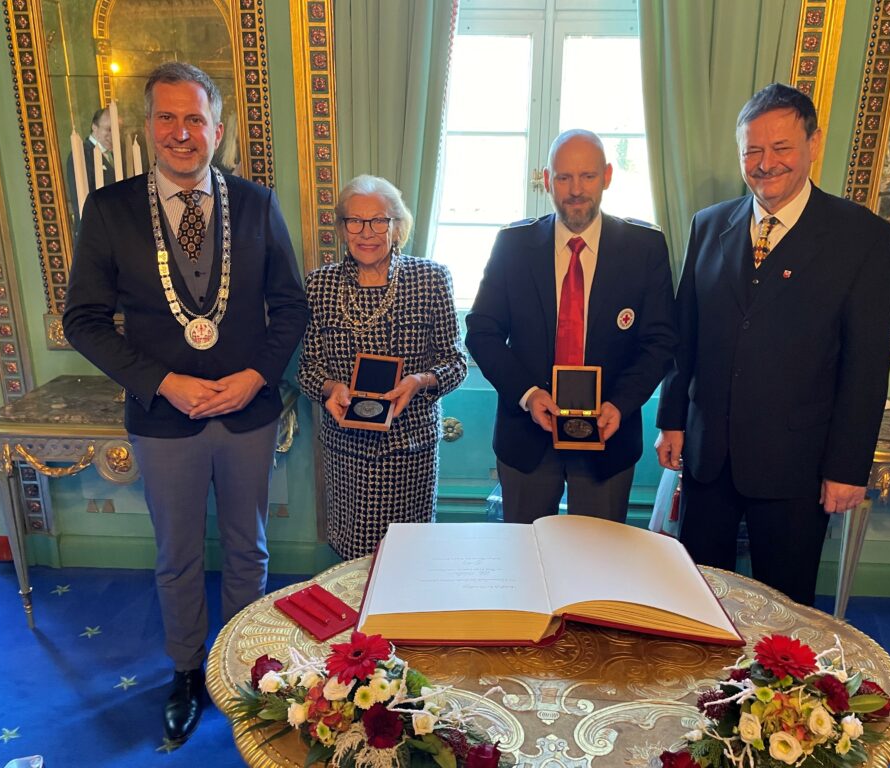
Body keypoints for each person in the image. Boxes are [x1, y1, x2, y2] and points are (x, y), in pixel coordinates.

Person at [62, 62, 308, 744]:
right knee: (175, 554)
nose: (180, 132)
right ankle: (185, 672)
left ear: (217, 129)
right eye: (166, 118)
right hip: (163, 418)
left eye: (193, 118)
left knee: (247, 549)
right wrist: (163, 382)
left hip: (246, 413)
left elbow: (290, 307)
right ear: (148, 130)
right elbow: (82, 319)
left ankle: (246, 666)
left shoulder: (256, 204)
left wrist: (258, 376)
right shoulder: (110, 211)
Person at [655, 83, 890, 607]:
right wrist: (672, 421)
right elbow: (686, 335)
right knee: (700, 599)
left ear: (813, 143)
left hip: (797, 465)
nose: (765, 164)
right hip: (707, 456)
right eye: (752, 151)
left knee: (785, 609)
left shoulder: (863, 238)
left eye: (780, 148)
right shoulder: (709, 224)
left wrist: (847, 467)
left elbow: (867, 364)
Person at [466, 129, 678, 524]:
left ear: (608, 177)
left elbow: (660, 341)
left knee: (596, 567)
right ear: (547, 180)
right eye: (564, 177)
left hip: (607, 435)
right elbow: (482, 331)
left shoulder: (644, 248)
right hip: (527, 437)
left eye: (588, 177)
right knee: (525, 561)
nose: (575, 189)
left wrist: (620, 403)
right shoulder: (514, 244)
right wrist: (528, 394)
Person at [298, 175, 467, 559]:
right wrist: (330, 389)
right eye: (355, 221)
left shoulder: (430, 279)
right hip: (347, 453)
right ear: (342, 228)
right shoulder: (319, 286)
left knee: (409, 560)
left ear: (397, 226)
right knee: (353, 564)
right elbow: (308, 368)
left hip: (410, 451)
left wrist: (420, 381)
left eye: (379, 221)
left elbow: (457, 363)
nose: (367, 232)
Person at [65, 107, 117, 224]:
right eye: (108, 129)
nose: (113, 135)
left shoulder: (116, 153)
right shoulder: (81, 155)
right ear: (94, 127)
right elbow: (83, 201)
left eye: (116, 130)